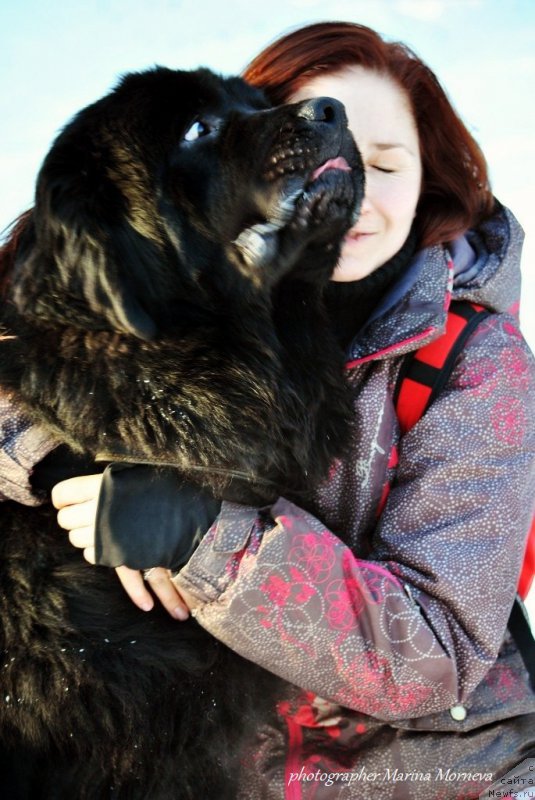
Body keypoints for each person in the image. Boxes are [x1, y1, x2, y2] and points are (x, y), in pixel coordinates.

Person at [4, 20, 535, 799]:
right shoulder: (185, 290)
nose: (343, 170)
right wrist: (67, 463)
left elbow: (438, 652)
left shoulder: (474, 362)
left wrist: (203, 538)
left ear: (430, 183)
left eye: (382, 161)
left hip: (424, 777)